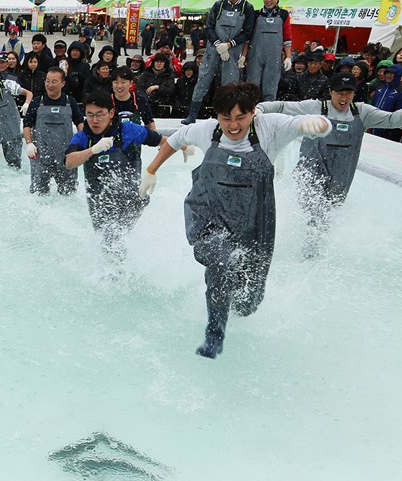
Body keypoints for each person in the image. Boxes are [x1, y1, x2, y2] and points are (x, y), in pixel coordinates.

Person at [140, 82, 331, 358]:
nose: (232, 125)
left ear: (253, 113)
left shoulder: (270, 128)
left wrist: (320, 124)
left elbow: (304, 123)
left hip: (256, 226)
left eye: (240, 117)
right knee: (221, 260)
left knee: (248, 304)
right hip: (208, 218)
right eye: (226, 117)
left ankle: (228, 305)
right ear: (217, 115)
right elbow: (176, 138)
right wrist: (151, 169)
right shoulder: (208, 130)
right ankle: (214, 334)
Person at [258, 73, 402, 258]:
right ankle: (304, 254)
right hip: (312, 171)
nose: (343, 98)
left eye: (348, 93)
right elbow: (283, 106)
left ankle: (316, 255)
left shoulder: (361, 112)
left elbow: (390, 120)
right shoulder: (316, 107)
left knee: (327, 217)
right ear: (330, 92)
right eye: (339, 93)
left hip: (341, 177)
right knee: (312, 213)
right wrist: (261, 108)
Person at [64, 89, 166, 262]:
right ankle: (114, 276)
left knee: (117, 239)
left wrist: (182, 148)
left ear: (111, 113)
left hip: (131, 199)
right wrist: (92, 150)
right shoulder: (83, 138)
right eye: (89, 115)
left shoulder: (128, 130)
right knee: (109, 243)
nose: (94, 120)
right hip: (100, 204)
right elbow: (69, 162)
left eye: (99, 115)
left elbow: (162, 141)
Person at [182, 0, 256, 124]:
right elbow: (209, 27)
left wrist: (229, 44)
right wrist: (217, 44)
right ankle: (192, 115)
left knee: (230, 85)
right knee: (203, 80)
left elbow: (247, 32)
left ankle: (226, 115)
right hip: (213, 49)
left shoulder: (247, 7)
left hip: (232, 51)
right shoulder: (218, 5)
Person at [22, 67, 82, 196]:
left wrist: (81, 143)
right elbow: (27, 125)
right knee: (39, 195)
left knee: (68, 195)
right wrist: (29, 143)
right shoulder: (37, 102)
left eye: (54, 81)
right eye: (47, 81)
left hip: (66, 157)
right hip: (41, 157)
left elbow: (80, 123)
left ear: (63, 83)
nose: (50, 85)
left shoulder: (70, 102)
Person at [244, 0, 291, 102]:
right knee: (251, 89)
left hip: (274, 58)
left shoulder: (283, 14)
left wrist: (288, 57)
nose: (269, 1)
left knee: (270, 89)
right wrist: (243, 55)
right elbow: (247, 37)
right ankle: (249, 113)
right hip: (255, 57)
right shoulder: (256, 14)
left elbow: (287, 37)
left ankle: (268, 114)